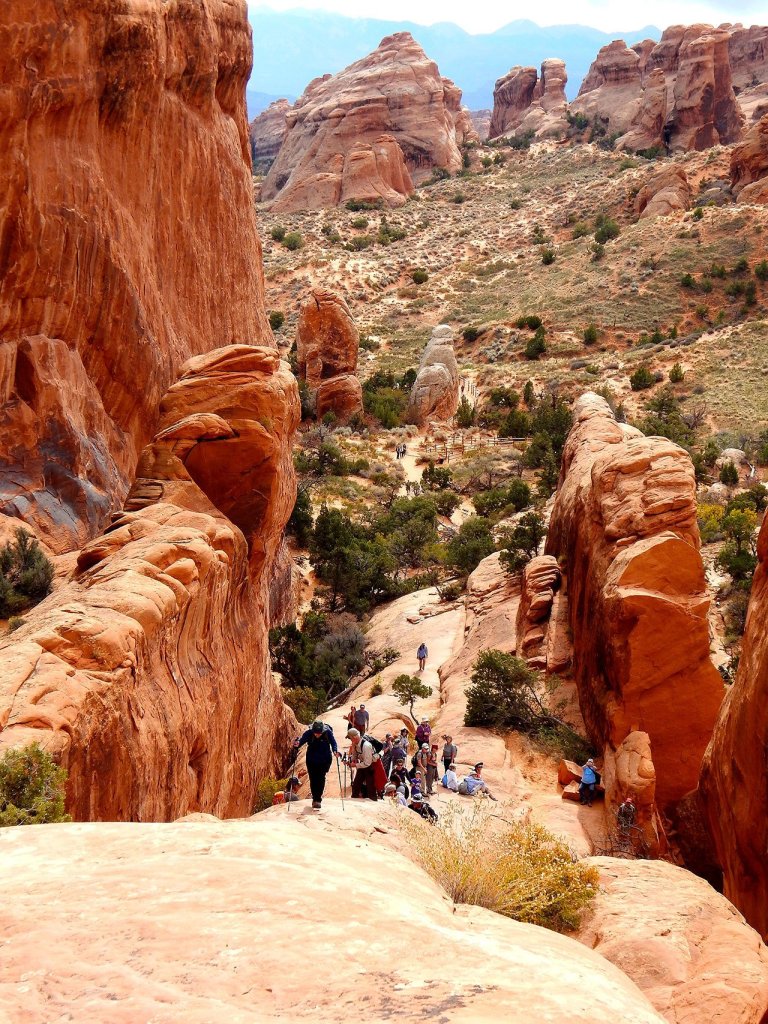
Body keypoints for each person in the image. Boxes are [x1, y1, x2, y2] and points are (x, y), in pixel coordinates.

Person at [294, 720, 340, 809]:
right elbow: (301, 741)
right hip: (311, 760)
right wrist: (297, 744)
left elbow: (333, 743)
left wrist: (335, 751)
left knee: (321, 778)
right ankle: (315, 798)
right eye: (316, 733)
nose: (317, 735)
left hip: (324, 760)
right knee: (313, 779)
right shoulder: (309, 733)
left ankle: (317, 799)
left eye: (319, 733)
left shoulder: (328, 733)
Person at [348, 728, 378, 801]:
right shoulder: (355, 744)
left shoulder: (366, 746)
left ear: (354, 738)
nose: (350, 740)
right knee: (356, 785)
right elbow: (355, 756)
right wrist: (349, 761)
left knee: (370, 786)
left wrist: (355, 765)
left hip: (369, 767)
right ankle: (353, 800)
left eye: (350, 738)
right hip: (362, 765)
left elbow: (367, 763)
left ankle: (373, 801)